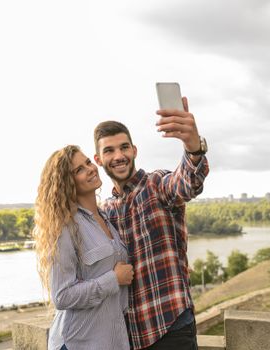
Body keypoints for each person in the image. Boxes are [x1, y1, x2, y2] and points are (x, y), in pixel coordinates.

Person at [93, 97, 209, 350]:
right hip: (128, 335)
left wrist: (193, 147)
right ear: (99, 159)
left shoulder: (157, 185)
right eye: (109, 150)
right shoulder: (104, 211)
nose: (119, 156)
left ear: (134, 151)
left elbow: (187, 182)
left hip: (171, 327)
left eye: (124, 147)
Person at [33, 145, 134, 350]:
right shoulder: (65, 228)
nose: (90, 169)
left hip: (111, 341)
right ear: (67, 183)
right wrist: (113, 279)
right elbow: (62, 296)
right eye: (79, 170)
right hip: (78, 343)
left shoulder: (106, 219)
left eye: (88, 162)